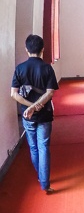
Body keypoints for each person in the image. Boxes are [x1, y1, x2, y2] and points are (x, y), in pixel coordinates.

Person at [11, 34, 59, 194]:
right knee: (44, 146)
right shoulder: (47, 68)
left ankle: (40, 176)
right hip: (44, 113)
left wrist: (30, 106)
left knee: (33, 147)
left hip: (27, 115)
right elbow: (50, 92)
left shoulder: (20, 68)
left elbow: (14, 94)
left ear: (26, 49)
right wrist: (37, 105)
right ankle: (45, 184)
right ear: (42, 50)